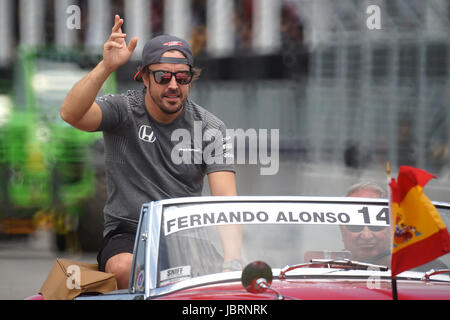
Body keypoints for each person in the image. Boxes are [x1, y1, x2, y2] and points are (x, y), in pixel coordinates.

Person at [60, 15, 242, 289]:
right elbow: (70, 113)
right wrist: (106, 66)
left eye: (182, 77)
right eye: (162, 76)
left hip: (187, 236)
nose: (172, 85)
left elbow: (226, 202)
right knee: (125, 269)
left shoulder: (210, 127)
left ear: (191, 79)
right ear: (144, 77)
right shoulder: (123, 110)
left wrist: (233, 261)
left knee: (218, 285)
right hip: (129, 233)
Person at [340, 182, 391, 266]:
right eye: (356, 226)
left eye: (376, 225)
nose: (367, 236)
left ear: (391, 229)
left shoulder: (412, 274)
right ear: (342, 231)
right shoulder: (322, 272)